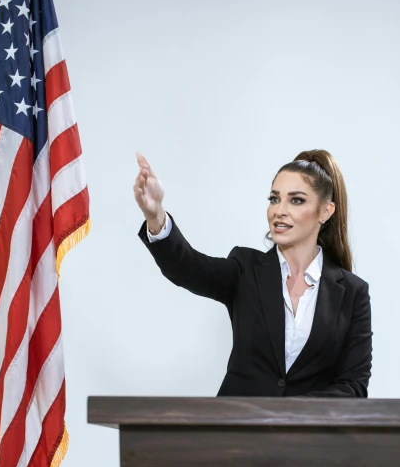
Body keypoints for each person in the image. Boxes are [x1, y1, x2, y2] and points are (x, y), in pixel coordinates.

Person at [133, 149, 372, 398]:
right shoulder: (245, 268)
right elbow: (188, 268)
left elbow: (354, 386)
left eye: (296, 200)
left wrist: (292, 414)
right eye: (274, 199)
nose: (279, 210)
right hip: (237, 430)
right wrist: (155, 215)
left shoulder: (353, 293)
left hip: (307, 434)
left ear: (326, 211)